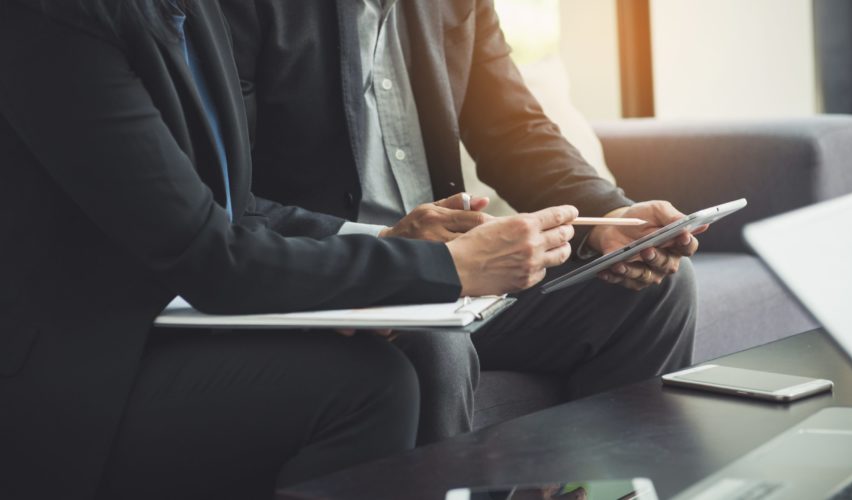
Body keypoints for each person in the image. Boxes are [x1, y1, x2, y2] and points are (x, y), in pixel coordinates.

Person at [0, 0, 580, 498]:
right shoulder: (54, 23)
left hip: (168, 317)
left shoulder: (190, 12)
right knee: (371, 387)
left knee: (386, 372)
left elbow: (235, 206)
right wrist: (443, 269)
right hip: (81, 362)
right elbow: (207, 255)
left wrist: (388, 252)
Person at [218, 0, 701, 445]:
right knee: (433, 344)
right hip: (330, 275)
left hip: (458, 273)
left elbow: (512, 128)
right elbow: (223, 201)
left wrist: (608, 216)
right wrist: (392, 251)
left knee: (654, 291)